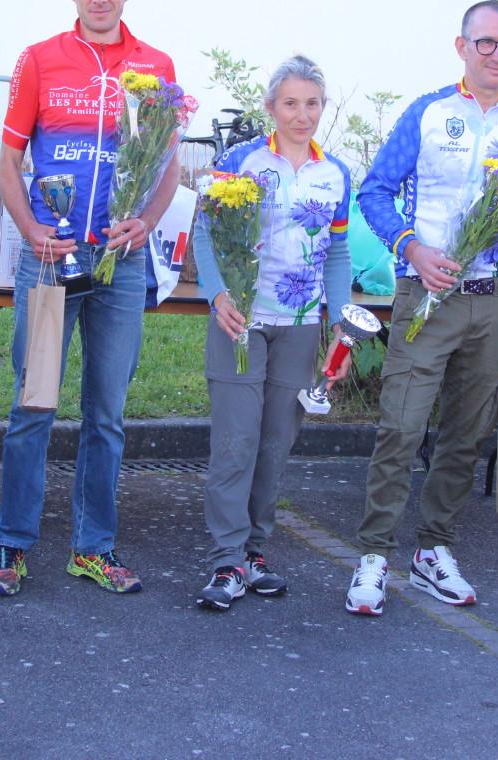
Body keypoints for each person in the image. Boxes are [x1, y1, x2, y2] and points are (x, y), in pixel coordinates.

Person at [0, 0, 178, 596]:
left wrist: (145, 222)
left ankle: (93, 548)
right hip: (52, 257)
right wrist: (30, 229)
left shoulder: (154, 66)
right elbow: (9, 161)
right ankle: (10, 546)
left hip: (120, 260)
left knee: (106, 414)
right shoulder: (39, 60)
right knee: (33, 404)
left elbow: (167, 164)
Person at [346, 0, 498, 616]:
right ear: (461, 46)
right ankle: (374, 555)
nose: (497, 54)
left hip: (495, 301)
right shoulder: (429, 113)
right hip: (426, 296)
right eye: (485, 42)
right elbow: (375, 191)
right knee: (401, 427)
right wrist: (411, 247)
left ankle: (433, 549)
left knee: (467, 434)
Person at [191, 56, 354, 610]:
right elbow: (206, 233)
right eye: (290, 103)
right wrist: (218, 296)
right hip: (242, 322)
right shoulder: (242, 161)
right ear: (270, 108)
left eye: (312, 104)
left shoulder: (335, 174)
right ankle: (226, 561)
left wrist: (341, 319)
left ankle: (255, 552)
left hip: (301, 325)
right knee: (235, 444)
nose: (301, 115)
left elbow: (337, 251)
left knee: (275, 445)